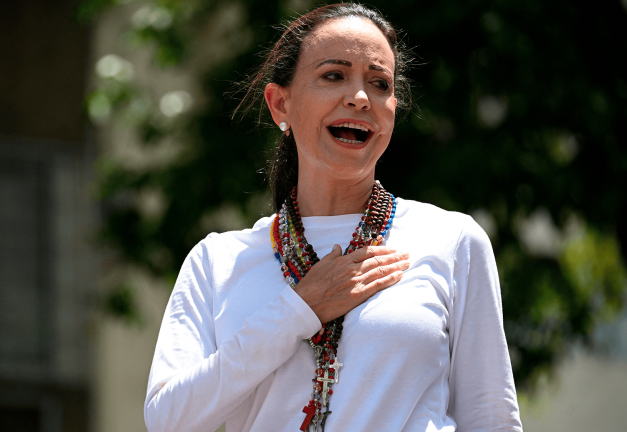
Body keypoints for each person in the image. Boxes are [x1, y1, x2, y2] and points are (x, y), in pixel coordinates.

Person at [144, 3, 522, 431]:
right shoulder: (217, 261)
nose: (360, 98)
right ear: (280, 103)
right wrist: (298, 310)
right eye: (333, 75)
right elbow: (167, 419)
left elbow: (492, 418)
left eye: (380, 83)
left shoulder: (451, 240)